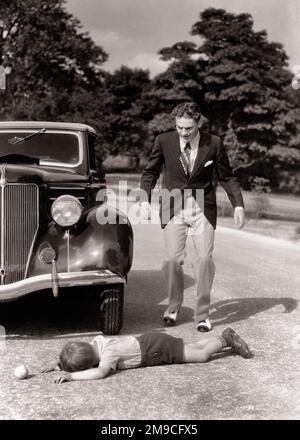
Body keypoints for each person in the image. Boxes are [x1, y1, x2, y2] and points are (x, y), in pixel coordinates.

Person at [140, 102, 245, 332]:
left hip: (202, 209)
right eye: (179, 128)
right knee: (172, 261)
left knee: (204, 260)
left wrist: (238, 205)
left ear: (199, 123)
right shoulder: (164, 141)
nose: (183, 132)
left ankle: (202, 315)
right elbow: (150, 172)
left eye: (188, 128)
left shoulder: (214, 143)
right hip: (173, 207)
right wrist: (145, 200)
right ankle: (174, 306)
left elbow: (227, 177)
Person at [40, 328, 252, 383]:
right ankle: (221, 338)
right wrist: (60, 363)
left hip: (154, 350)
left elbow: (100, 372)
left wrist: (72, 376)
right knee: (193, 346)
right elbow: (82, 354)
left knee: (201, 356)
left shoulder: (108, 354)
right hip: (151, 340)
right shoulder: (98, 341)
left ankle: (226, 340)